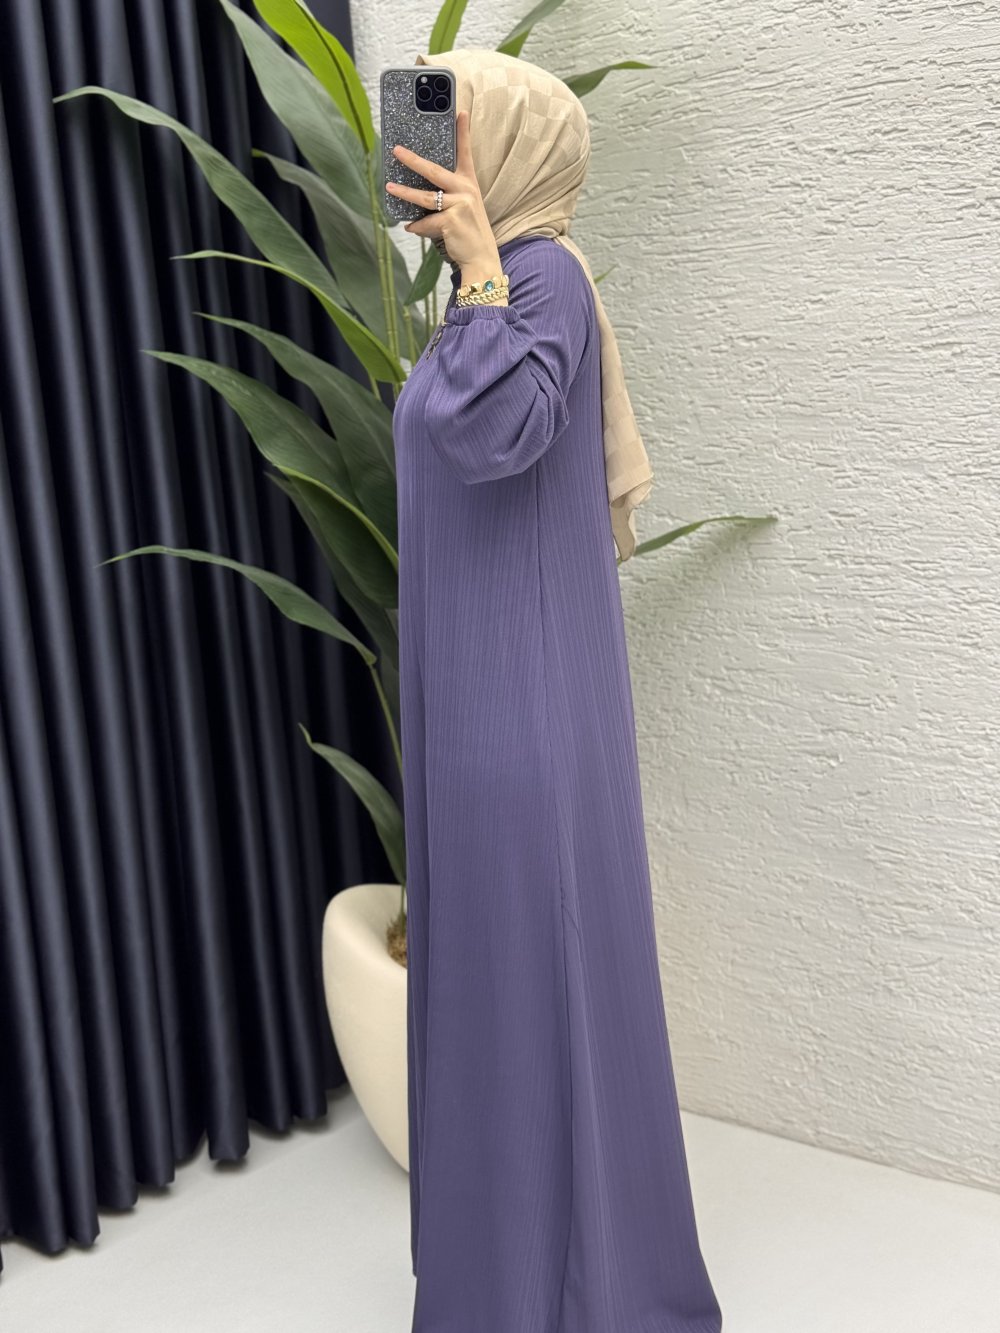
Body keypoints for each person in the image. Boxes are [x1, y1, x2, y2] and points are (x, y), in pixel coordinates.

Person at [388, 46, 724, 1333]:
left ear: (513, 150)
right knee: (502, 987)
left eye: (454, 127)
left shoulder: (539, 279)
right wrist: (467, 273)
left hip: (518, 708)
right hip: (481, 701)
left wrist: (480, 262)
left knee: (538, 983)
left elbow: (495, 432)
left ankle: (571, 1291)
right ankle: (503, 1277)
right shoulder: (489, 289)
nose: (428, 154)